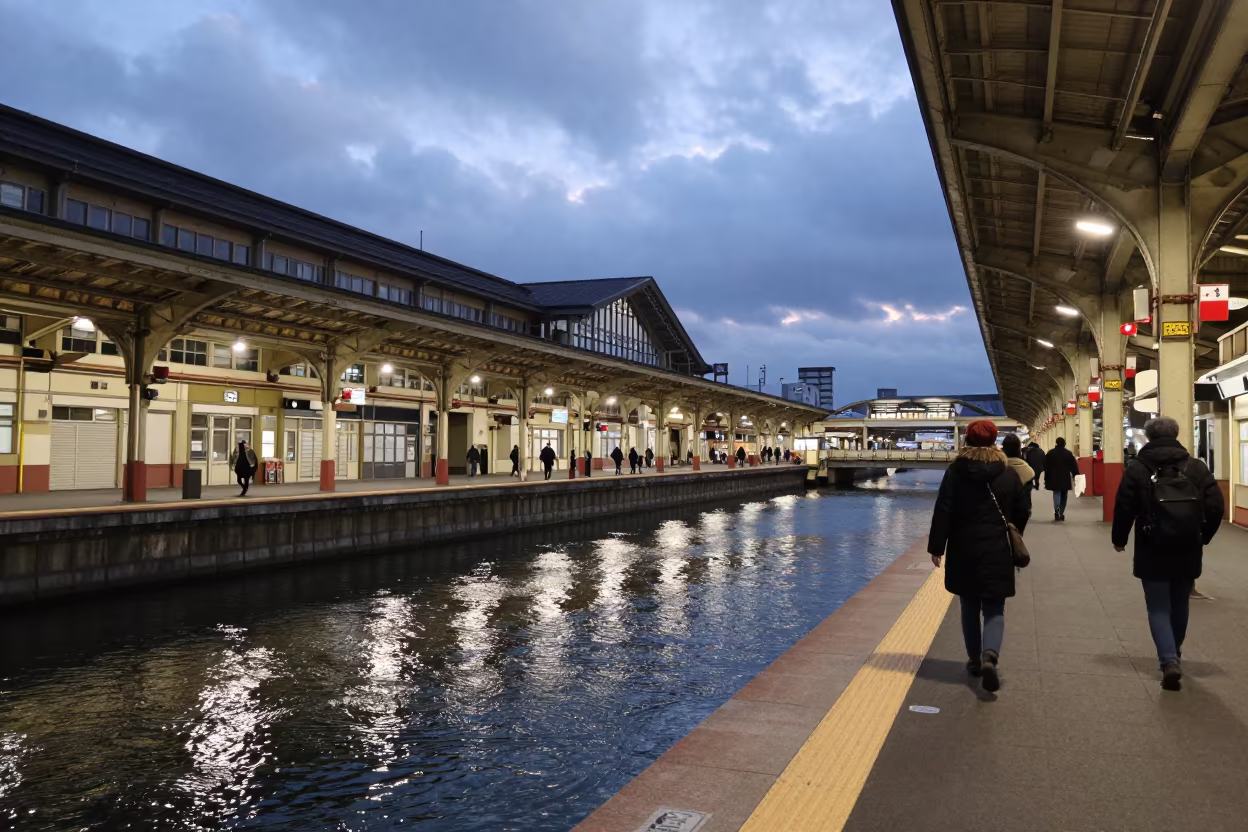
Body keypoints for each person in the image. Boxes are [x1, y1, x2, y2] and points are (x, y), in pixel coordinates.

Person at [1111, 416, 1223, 691]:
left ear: (1148, 437)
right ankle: (1175, 652)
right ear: (1176, 434)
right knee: (1180, 601)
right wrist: (1203, 536)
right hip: (1187, 545)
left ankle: (1169, 658)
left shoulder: (1137, 467)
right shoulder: (1196, 467)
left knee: (1158, 606)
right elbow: (1216, 505)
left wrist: (1119, 538)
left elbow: (1124, 504)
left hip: (1153, 544)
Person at [928, 419, 1029, 693]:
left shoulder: (955, 472)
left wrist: (937, 547)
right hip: (998, 547)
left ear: (967, 441)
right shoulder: (1007, 472)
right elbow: (1023, 508)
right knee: (995, 607)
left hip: (963, 547)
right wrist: (1015, 532)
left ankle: (974, 659)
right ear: (994, 441)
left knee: (969, 606)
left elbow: (944, 509)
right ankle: (990, 656)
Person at [1001, 434, 1034, 533]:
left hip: (999, 513)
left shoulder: (997, 467)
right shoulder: (1027, 470)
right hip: (1020, 514)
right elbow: (1026, 496)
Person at [1043, 437, 1080, 521]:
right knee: (1064, 495)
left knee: (1056, 493)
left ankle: (1057, 510)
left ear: (1056, 443)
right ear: (1064, 444)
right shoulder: (1068, 453)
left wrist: (1046, 478)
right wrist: (1075, 474)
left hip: (1054, 477)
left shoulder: (1051, 453)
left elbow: (1046, 466)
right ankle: (1061, 513)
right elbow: (1073, 466)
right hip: (1065, 477)